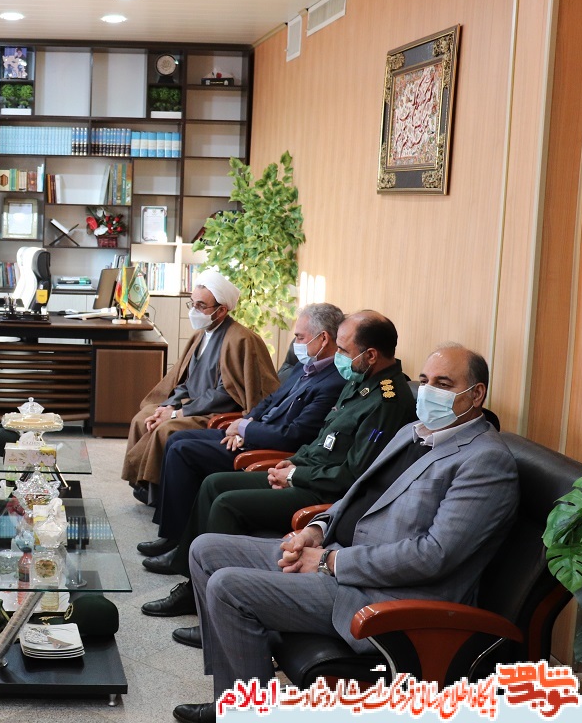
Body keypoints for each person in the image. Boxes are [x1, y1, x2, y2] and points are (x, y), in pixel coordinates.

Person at [173, 344, 516, 723]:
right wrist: (316, 530)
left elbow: (433, 556)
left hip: (383, 596)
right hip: (337, 555)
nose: (429, 391)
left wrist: (329, 561)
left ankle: (248, 714)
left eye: (443, 383)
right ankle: (234, 698)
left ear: (476, 394)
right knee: (205, 550)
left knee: (228, 588)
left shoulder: (485, 461)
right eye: (424, 381)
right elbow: (357, 495)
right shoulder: (413, 432)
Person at [143, 311, 416, 622]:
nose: (338, 355)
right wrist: (293, 461)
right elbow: (323, 439)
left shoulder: (388, 401)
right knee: (213, 483)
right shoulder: (360, 381)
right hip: (307, 474)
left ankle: (211, 604)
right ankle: (190, 578)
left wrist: (295, 474)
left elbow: (354, 475)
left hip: (324, 493)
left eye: (343, 349)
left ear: (371, 355)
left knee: (227, 503)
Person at [138, 303, 345, 565]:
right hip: (250, 435)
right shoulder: (304, 368)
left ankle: (180, 544)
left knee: (183, 450)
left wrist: (248, 431)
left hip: (267, 448)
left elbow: (293, 435)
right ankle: (172, 535)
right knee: (176, 439)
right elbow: (269, 401)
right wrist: (243, 423)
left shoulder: (333, 381)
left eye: (300, 337)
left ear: (323, 338)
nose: (296, 344)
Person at [121, 270, 279, 500]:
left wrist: (176, 414)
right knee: (143, 417)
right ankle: (143, 485)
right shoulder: (201, 335)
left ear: (221, 310)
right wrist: (167, 406)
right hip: (191, 405)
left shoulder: (240, 339)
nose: (194, 310)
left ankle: (160, 494)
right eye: (192, 303)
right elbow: (185, 381)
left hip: (215, 413)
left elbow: (226, 393)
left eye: (201, 306)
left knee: (165, 430)